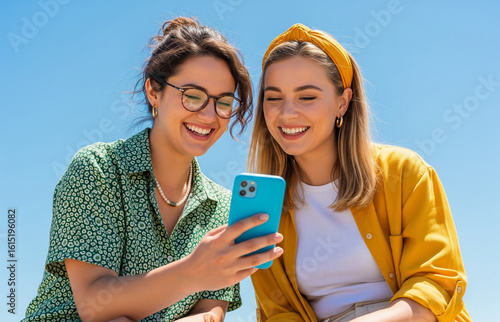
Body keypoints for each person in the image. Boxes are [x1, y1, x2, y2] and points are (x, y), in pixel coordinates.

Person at [24, 17, 283, 322]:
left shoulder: (223, 205)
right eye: (193, 96)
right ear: (153, 91)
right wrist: (194, 271)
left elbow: (211, 311)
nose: (209, 115)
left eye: (223, 102)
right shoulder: (99, 169)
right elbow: (95, 305)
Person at [248, 23, 470, 322]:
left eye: (307, 97)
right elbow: (277, 313)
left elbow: (435, 285)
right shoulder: (264, 206)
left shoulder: (404, 173)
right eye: (274, 98)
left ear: (343, 102)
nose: (287, 113)